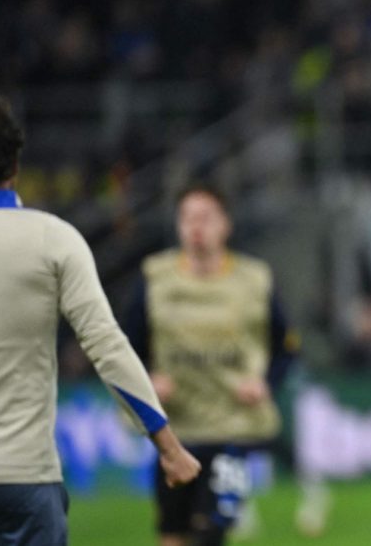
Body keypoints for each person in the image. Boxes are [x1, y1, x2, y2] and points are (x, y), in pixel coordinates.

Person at [0, 88, 200, 545]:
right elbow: (107, 346)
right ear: (16, 163)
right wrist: (168, 447)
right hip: (22, 479)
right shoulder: (52, 240)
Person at [122, 182, 297, 546]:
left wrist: (266, 382)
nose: (196, 227)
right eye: (187, 218)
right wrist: (148, 379)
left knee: (210, 532)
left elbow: (287, 346)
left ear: (225, 224)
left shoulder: (254, 279)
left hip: (233, 429)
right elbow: (125, 347)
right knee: (173, 535)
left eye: (205, 217)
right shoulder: (156, 277)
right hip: (175, 431)